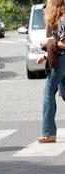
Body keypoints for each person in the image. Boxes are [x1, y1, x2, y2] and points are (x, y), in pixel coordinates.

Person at [37, 0, 65, 143]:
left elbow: (62, 44)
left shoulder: (62, 19)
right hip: (59, 59)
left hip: (61, 61)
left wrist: (47, 43)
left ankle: (49, 132)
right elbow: (52, 36)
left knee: (48, 92)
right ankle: (49, 132)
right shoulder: (59, 19)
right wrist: (45, 56)